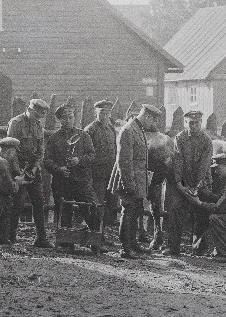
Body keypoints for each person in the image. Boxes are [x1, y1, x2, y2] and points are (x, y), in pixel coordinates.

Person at [44, 104, 103, 252]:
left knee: (92, 208)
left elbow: (92, 155)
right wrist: (58, 169)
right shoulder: (54, 138)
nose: (69, 120)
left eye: (71, 117)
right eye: (65, 118)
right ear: (60, 120)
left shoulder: (83, 136)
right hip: (62, 182)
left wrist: (79, 160)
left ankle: (95, 242)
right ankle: (65, 243)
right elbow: (47, 160)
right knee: (64, 212)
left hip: (81, 181)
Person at [111, 104, 161, 259]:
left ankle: (132, 243)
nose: (154, 125)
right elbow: (124, 161)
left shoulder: (138, 129)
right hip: (128, 180)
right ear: (147, 117)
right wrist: (129, 185)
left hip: (137, 181)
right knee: (128, 213)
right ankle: (126, 248)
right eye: (153, 121)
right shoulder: (128, 130)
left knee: (135, 212)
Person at [7, 99, 53, 248]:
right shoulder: (15, 123)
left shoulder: (39, 125)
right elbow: (10, 149)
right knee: (17, 203)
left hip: (33, 169)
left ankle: (41, 238)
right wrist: (18, 172)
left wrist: (34, 168)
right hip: (18, 167)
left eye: (40, 116)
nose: (37, 118)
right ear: (29, 110)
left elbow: (41, 151)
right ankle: (11, 236)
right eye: (36, 115)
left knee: (39, 202)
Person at [168, 110, 214, 257]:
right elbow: (178, 162)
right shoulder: (179, 138)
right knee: (175, 210)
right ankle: (174, 247)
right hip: (183, 181)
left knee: (201, 213)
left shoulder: (206, 141)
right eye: (190, 123)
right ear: (185, 123)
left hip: (201, 182)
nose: (193, 126)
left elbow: (204, 165)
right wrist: (180, 185)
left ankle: (199, 248)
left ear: (201, 123)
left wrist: (197, 187)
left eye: (197, 123)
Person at [85, 100, 118, 228]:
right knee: (97, 204)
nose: (105, 116)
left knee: (110, 204)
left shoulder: (111, 129)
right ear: (96, 113)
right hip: (96, 174)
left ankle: (102, 233)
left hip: (110, 173)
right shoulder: (90, 130)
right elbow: (87, 153)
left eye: (107, 113)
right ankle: (95, 234)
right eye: (102, 113)